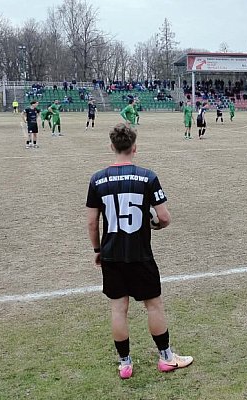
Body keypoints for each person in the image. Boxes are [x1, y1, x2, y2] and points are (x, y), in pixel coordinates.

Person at [86, 123, 193, 380]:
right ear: (134, 147)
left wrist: (98, 249)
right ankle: (166, 358)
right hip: (140, 254)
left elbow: (92, 223)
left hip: (112, 254)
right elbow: (164, 217)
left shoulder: (97, 179)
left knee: (118, 308)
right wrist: (155, 223)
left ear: (112, 147)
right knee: (153, 305)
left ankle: (125, 364)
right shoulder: (147, 177)